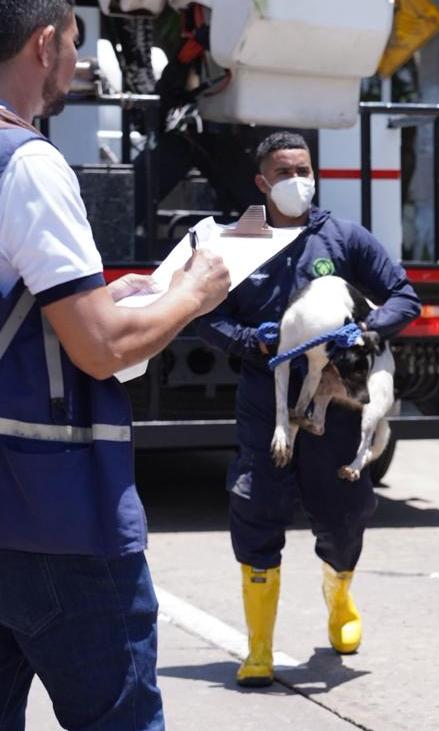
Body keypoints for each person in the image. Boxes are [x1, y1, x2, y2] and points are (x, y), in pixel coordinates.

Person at [0, 1, 231, 727]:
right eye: (75, 43)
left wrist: (98, 297)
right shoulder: (27, 164)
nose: (78, 62)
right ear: (44, 45)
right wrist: (191, 295)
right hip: (57, 519)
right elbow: (99, 347)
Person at [196, 131, 421, 687]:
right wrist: (247, 340)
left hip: (335, 399)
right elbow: (204, 312)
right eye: (284, 172)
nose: (297, 180)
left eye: (304, 170)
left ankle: (339, 593)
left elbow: (404, 296)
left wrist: (365, 330)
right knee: (255, 508)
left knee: (345, 513)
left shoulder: (344, 238)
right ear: (261, 182)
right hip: (264, 398)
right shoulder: (237, 245)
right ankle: (259, 648)